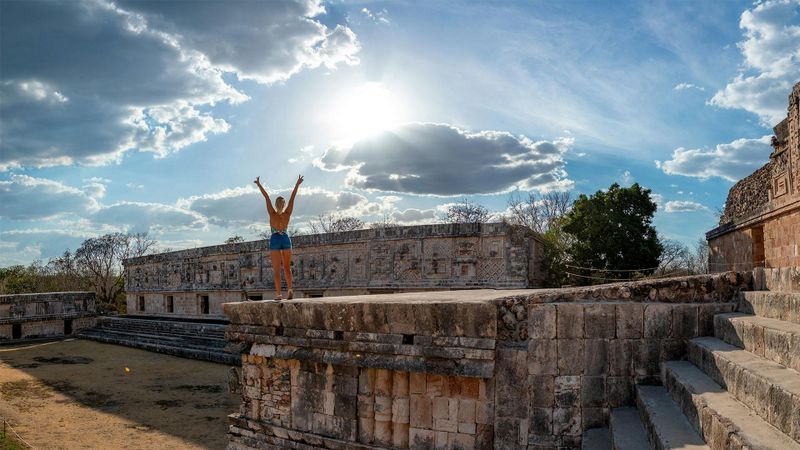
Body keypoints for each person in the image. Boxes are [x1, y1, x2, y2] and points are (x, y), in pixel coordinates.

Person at [254, 174, 303, 300]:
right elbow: (293, 197)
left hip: (275, 239)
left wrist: (259, 185)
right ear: (284, 204)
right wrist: (297, 184)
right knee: (287, 267)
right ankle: (290, 289)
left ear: (276, 205)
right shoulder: (287, 213)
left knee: (276, 269)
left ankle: (278, 294)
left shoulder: (272, 213)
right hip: (285, 238)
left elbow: (266, 197)